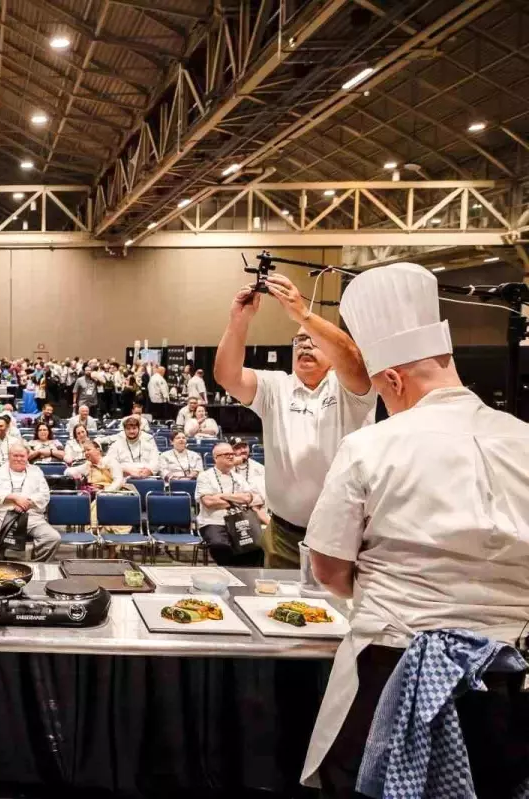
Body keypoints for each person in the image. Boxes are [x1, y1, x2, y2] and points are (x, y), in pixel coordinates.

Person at [292, 262, 529, 795]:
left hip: (393, 674)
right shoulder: (524, 439)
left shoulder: (372, 446)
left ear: (393, 379)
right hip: (507, 683)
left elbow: (328, 567)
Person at [213, 271, 375, 568]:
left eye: (313, 340)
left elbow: (354, 358)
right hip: (284, 533)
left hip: (344, 535)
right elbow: (227, 376)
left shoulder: (350, 388)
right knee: (277, 610)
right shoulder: (276, 387)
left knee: (338, 612)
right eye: (299, 340)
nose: (304, 344)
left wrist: (303, 314)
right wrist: (239, 321)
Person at [0, 443, 60, 561]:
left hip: (33, 518)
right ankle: (0, 564)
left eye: (22, 456)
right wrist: (14, 498)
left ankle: (37, 565)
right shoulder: (0, 472)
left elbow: (44, 494)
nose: (18, 459)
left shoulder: (36, 471)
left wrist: (27, 502)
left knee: (53, 538)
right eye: (15, 455)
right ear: (9, 456)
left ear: (27, 456)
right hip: (4, 518)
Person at [195, 442, 267, 567]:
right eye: (226, 454)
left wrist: (222, 496)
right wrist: (236, 500)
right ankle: (232, 571)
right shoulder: (205, 476)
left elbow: (248, 498)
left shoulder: (238, 477)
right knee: (220, 545)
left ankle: (246, 575)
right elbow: (209, 502)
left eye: (232, 454)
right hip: (213, 521)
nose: (231, 457)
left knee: (257, 545)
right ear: (216, 458)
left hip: (239, 520)